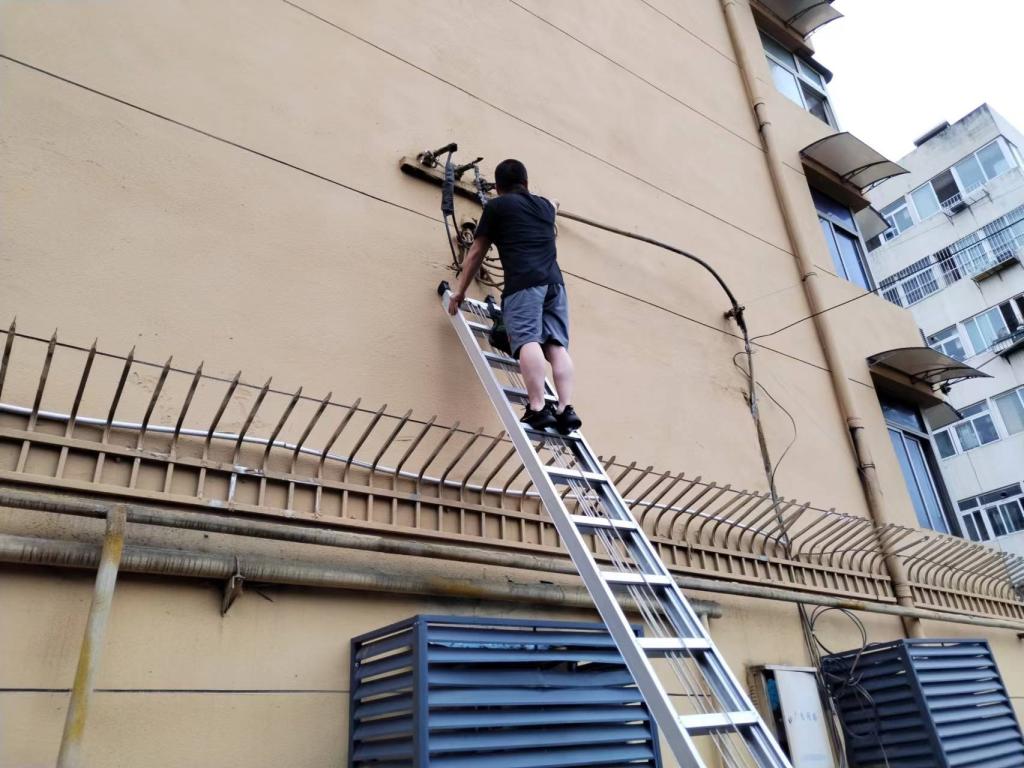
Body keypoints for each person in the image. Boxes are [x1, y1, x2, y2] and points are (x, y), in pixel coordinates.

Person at [448, 159, 582, 435]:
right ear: (526, 182)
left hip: (524, 282)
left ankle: (537, 407)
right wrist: (549, 203)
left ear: (498, 187)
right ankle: (565, 408)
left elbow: (476, 252)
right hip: (555, 285)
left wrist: (459, 291)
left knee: (527, 340)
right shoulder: (545, 206)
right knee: (556, 345)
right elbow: (555, 202)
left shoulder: (496, 207)